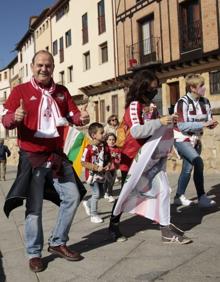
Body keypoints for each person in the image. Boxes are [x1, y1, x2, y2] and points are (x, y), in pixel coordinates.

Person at [1, 50, 90, 272]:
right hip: (32, 156)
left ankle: (58, 242)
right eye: (40, 65)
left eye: (48, 65)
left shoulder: (61, 92)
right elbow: (5, 118)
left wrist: (82, 118)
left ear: (53, 67)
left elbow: (73, 115)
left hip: (57, 155)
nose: (44, 69)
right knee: (35, 207)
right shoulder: (20, 91)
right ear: (32, 67)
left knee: (73, 195)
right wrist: (15, 118)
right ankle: (34, 253)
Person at [108, 69, 192, 244]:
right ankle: (113, 225)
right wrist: (160, 122)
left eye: (156, 87)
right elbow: (137, 131)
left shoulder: (152, 106)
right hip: (133, 159)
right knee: (125, 193)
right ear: (142, 87)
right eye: (152, 88)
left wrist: (168, 122)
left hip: (151, 157)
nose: (155, 91)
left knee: (163, 190)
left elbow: (155, 128)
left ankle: (165, 229)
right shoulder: (134, 106)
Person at [173, 74, 218, 207]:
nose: (204, 88)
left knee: (187, 168)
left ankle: (178, 196)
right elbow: (181, 125)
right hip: (182, 138)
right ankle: (202, 197)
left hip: (196, 138)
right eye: (201, 86)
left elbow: (207, 120)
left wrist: (210, 124)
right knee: (198, 162)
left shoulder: (205, 102)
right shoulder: (182, 103)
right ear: (192, 88)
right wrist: (203, 124)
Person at [81, 122, 111, 223]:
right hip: (92, 176)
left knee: (101, 194)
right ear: (94, 135)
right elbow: (83, 162)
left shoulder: (104, 147)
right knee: (96, 194)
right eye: (101, 133)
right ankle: (93, 215)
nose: (104, 134)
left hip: (101, 175)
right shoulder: (88, 148)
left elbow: (108, 158)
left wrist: (108, 165)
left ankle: (88, 204)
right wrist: (95, 167)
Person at [104, 133, 121, 202]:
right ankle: (109, 195)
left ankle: (105, 192)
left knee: (111, 181)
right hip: (106, 168)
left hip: (114, 168)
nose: (111, 141)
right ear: (106, 141)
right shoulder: (105, 149)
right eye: (110, 139)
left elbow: (119, 160)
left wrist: (116, 157)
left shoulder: (117, 149)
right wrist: (110, 156)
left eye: (113, 139)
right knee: (109, 181)